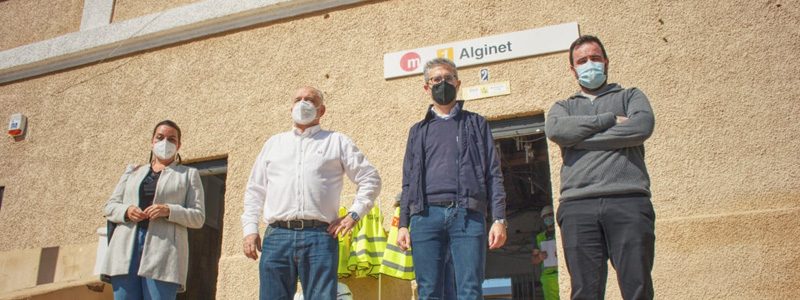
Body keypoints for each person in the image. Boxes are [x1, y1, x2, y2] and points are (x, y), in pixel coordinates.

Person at [241, 86, 382, 299]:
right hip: (277, 235)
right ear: (291, 107)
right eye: (298, 99)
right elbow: (255, 190)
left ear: (321, 110)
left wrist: (354, 214)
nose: (303, 103)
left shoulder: (337, 142)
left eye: (309, 99)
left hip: (320, 237)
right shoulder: (274, 144)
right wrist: (250, 229)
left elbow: (370, 178)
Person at [544, 35, 656, 300]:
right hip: (577, 206)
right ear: (572, 69)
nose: (589, 64)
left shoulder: (631, 96)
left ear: (606, 61)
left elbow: (641, 127)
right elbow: (556, 129)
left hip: (628, 201)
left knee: (637, 287)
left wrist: (579, 140)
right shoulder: (564, 106)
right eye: (582, 61)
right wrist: (609, 120)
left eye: (595, 58)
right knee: (585, 292)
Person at [396, 58, 507, 299]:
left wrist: (499, 218)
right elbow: (408, 180)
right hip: (425, 217)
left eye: (448, 78)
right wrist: (404, 223)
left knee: (469, 289)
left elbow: (493, 173)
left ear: (457, 83)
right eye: (436, 79)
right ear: (427, 87)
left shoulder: (476, 123)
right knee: (428, 291)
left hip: (467, 215)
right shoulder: (417, 131)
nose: (442, 83)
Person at [102, 120, 206, 300]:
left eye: (171, 139)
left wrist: (169, 210)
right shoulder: (133, 171)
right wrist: (127, 211)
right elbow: (110, 206)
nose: (165, 142)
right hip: (126, 249)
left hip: (164, 253)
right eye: (160, 137)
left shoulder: (188, 175)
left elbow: (198, 217)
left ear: (179, 145)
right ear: (152, 141)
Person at [531, 205, 559, 300]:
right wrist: (539, 257)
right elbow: (534, 260)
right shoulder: (539, 237)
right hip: (547, 277)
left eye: (550, 215)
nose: (548, 218)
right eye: (545, 216)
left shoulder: (561, 233)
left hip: (562, 273)